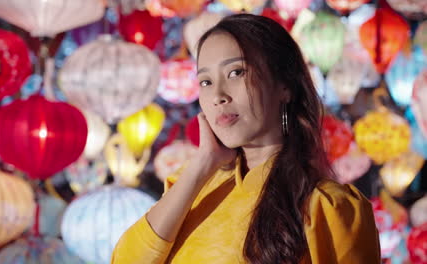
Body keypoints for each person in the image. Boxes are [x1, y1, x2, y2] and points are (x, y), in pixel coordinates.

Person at [111, 14, 381, 264]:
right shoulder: (193, 187)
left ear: (284, 85)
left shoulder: (327, 207)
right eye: (205, 82)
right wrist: (204, 162)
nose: (218, 95)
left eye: (236, 73)